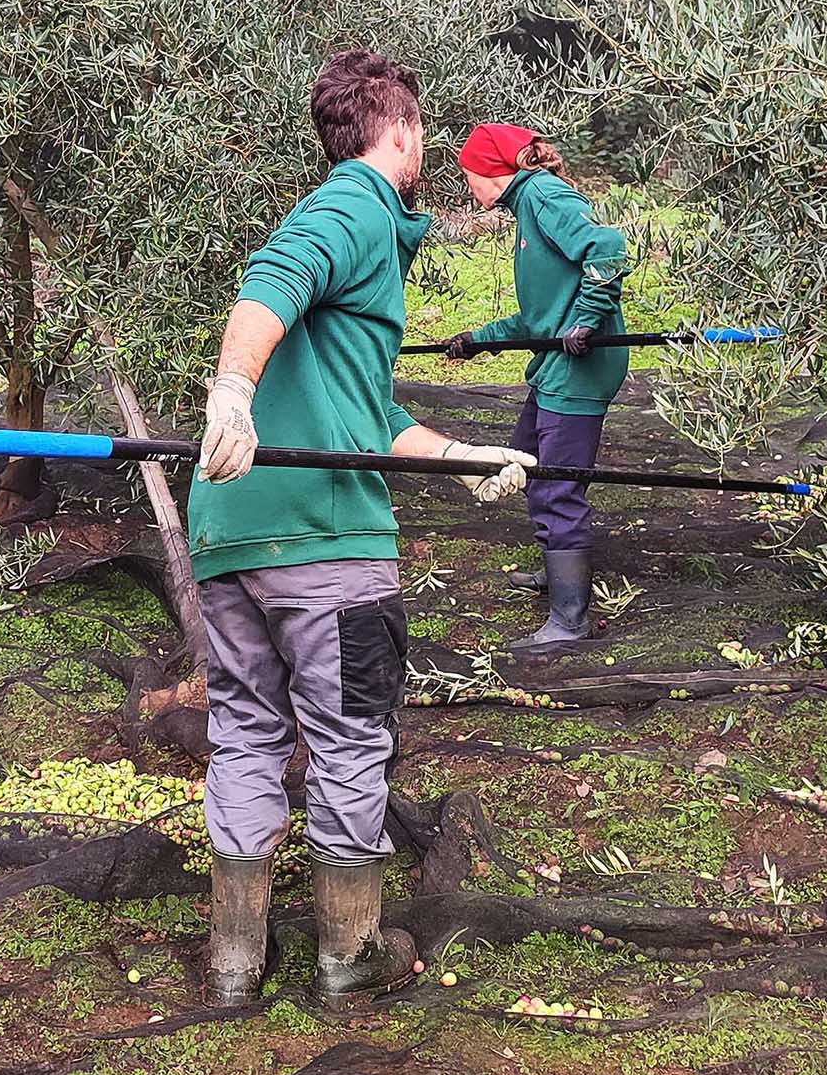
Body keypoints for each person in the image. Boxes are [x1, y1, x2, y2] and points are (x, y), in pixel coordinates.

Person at [186, 51, 536, 1006]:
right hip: (325, 545)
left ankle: (233, 962)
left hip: (229, 531)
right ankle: (347, 957)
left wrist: (468, 455)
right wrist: (233, 391)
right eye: (422, 135)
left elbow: (368, 417)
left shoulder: (363, 236)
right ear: (403, 133)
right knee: (348, 736)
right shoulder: (354, 206)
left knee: (248, 731)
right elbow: (271, 280)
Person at [439, 124, 632, 649]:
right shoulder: (528, 208)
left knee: (556, 484)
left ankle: (569, 619)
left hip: (579, 371)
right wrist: (479, 339)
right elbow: (542, 317)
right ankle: (559, 571)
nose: (469, 188)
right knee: (526, 459)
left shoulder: (543, 195)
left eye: (468, 176)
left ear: (490, 172)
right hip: (556, 367)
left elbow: (609, 249)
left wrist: (588, 320)